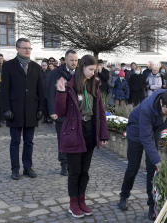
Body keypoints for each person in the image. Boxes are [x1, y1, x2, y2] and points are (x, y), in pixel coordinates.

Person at [54, 54, 108, 218]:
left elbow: (100, 113)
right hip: (74, 132)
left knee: (85, 170)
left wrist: (103, 134)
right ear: (82, 67)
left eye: (95, 70)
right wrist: (61, 93)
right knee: (75, 171)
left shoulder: (94, 86)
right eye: (90, 69)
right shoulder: (69, 86)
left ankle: (81, 200)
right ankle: (73, 203)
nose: (93, 73)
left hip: (89, 130)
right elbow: (60, 112)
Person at [118, 89, 167, 220]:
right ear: (161, 103)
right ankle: (124, 196)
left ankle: (152, 206)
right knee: (133, 167)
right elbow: (146, 138)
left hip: (155, 131)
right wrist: (157, 160)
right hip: (136, 130)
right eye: (166, 112)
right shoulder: (148, 107)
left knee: (152, 170)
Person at [0, 38, 44, 180]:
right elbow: (4, 89)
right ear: (17, 49)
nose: (27, 50)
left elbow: (40, 90)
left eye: (29, 48)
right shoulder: (8, 66)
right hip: (15, 110)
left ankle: (27, 167)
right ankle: (15, 169)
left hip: (31, 109)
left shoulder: (36, 67)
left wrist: (40, 108)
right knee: (15, 142)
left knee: (29, 141)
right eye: (24, 48)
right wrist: (6, 108)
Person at [47, 50, 79, 176]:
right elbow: (50, 93)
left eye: (76, 60)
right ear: (65, 60)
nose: (74, 62)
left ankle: (73, 164)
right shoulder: (56, 73)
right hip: (61, 112)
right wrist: (52, 111)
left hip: (76, 113)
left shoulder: (80, 73)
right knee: (63, 139)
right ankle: (64, 164)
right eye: (71, 60)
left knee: (75, 139)